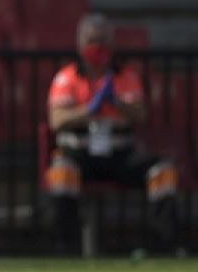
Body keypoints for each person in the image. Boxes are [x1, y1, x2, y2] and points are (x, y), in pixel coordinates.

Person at [45, 14, 177, 255]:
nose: (98, 46)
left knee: (163, 172)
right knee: (61, 172)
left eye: (103, 40)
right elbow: (56, 120)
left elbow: (140, 114)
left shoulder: (125, 77)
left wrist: (116, 102)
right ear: (80, 44)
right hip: (80, 151)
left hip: (120, 153)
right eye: (93, 40)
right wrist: (89, 109)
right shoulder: (67, 78)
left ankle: (163, 247)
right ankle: (65, 249)